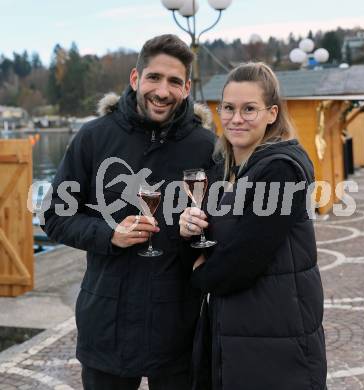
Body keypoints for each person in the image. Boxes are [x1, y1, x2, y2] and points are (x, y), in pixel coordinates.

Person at [42, 34, 216, 390]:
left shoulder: (206, 146)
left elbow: (219, 229)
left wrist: (196, 234)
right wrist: (109, 235)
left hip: (178, 325)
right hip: (107, 322)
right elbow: (56, 217)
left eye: (174, 82)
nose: (162, 91)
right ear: (135, 78)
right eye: (154, 77)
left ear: (185, 89)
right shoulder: (93, 138)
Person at [179, 62, 327, 390]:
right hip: (236, 330)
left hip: (276, 335)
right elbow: (216, 237)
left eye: (249, 109)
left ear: (272, 114)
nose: (236, 118)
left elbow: (246, 257)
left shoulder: (281, 170)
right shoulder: (222, 166)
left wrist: (199, 275)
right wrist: (190, 229)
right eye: (229, 108)